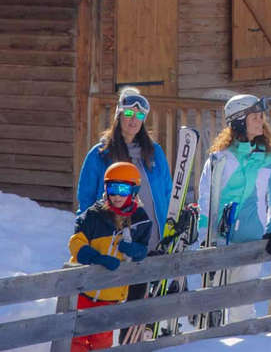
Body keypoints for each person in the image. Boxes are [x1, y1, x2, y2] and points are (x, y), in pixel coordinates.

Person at [197, 94, 271, 325]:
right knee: (212, 311)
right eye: (255, 117)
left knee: (243, 309)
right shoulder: (219, 159)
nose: (261, 121)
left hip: (251, 241)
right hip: (219, 243)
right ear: (238, 121)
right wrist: (205, 235)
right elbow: (206, 199)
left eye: (261, 116)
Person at [68, 162, 151, 352]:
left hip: (111, 296)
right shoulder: (94, 216)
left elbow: (143, 249)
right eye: (112, 189)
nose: (117, 196)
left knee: (102, 343)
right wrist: (96, 257)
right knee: (77, 339)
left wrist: (136, 250)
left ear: (134, 190)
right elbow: (75, 243)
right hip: (84, 291)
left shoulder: (141, 219)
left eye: (123, 189)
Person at [77, 87, 171, 251]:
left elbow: (167, 193)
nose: (133, 120)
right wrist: (86, 235)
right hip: (114, 244)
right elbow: (86, 199)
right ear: (118, 116)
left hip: (153, 241)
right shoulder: (100, 154)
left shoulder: (154, 152)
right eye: (128, 114)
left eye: (139, 115)